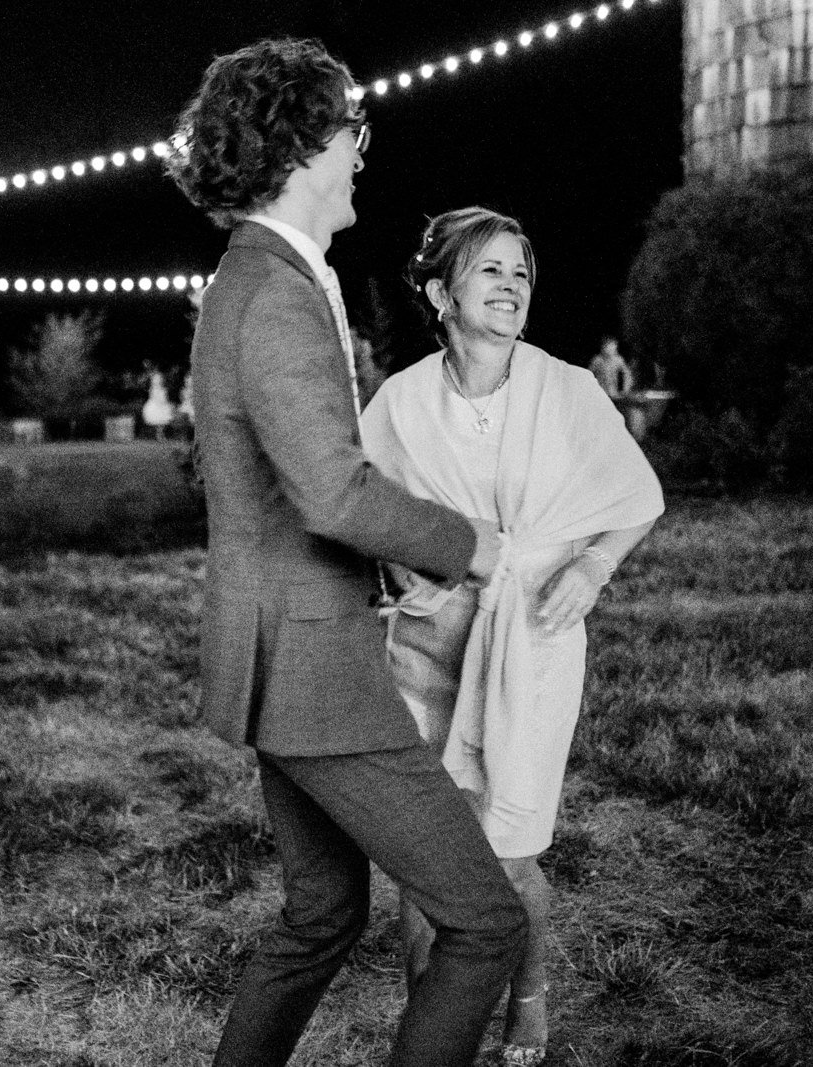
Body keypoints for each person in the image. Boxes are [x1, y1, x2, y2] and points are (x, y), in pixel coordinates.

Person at [165, 39, 526, 1067]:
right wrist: (470, 546)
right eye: (350, 130)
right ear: (304, 144)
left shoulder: (266, 273)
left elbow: (292, 485)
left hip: (283, 652)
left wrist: (386, 563)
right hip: (313, 669)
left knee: (320, 914)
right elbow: (328, 490)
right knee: (483, 921)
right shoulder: (274, 292)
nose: (362, 150)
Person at [361, 207, 665, 1066]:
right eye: (489, 269)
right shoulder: (399, 402)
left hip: (532, 644)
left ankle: (526, 1002)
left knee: (512, 849)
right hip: (428, 650)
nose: (510, 284)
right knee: (429, 855)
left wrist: (592, 568)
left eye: (521, 272)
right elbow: (367, 512)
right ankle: (434, 1020)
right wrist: (403, 569)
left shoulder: (566, 390)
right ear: (438, 292)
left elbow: (635, 495)